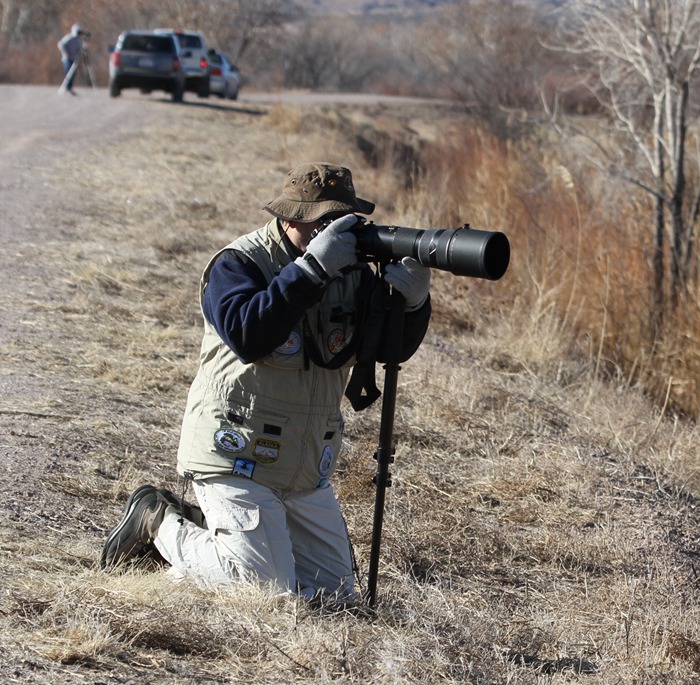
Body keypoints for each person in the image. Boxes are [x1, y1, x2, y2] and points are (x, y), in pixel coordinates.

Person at [100, 163, 432, 605]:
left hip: (303, 463)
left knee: (333, 599)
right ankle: (158, 519)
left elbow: (386, 351)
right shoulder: (238, 263)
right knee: (264, 590)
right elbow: (248, 334)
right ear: (291, 218)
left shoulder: (352, 273)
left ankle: (210, 553)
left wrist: (414, 305)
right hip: (233, 453)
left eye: (345, 219)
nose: (338, 231)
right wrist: (313, 269)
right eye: (324, 221)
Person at [58, 23, 87, 95]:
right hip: (67, 58)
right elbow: (60, 44)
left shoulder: (78, 40)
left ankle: (70, 88)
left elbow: (79, 48)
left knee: (73, 74)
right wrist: (65, 53)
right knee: (68, 72)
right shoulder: (69, 38)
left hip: (74, 59)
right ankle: (65, 87)